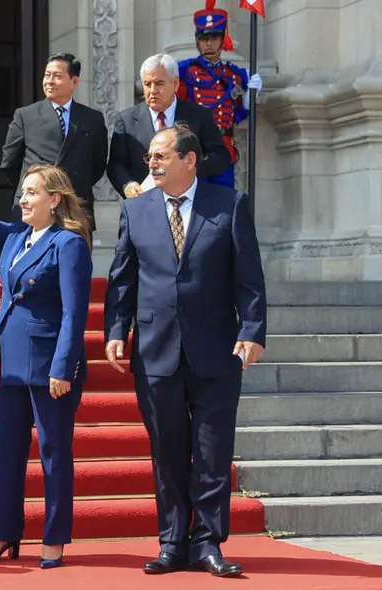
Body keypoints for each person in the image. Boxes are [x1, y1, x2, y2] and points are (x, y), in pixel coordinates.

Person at [103, 124, 267, 578]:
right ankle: (173, 542)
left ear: (189, 160)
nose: (150, 163)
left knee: (213, 454)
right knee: (168, 453)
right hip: (156, 350)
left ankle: (208, 543)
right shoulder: (136, 210)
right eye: (150, 157)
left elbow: (249, 278)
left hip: (216, 350)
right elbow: (122, 277)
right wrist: (117, 328)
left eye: (160, 156)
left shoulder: (228, 205)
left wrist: (252, 330)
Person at [0, 143, 93, 569]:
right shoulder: (16, 236)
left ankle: (53, 541)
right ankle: (2, 535)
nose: (23, 199)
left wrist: (63, 367)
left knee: (53, 454)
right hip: (12, 362)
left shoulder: (68, 244)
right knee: (7, 452)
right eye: (22, 193)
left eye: (32, 192)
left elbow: (74, 312)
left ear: (55, 199)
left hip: (50, 366)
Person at [1, 53, 107, 231]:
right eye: (47, 75)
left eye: (57, 76)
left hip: (75, 207)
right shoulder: (25, 115)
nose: (49, 81)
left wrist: (70, 186)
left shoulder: (92, 119)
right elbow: (9, 163)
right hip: (34, 209)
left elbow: (97, 165)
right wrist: (35, 188)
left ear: (74, 81)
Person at [106, 53, 230, 199]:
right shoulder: (126, 120)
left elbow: (220, 157)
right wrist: (127, 185)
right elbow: (116, 164)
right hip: (145, 205)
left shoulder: (199, 116)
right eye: (147, 84)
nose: (152, 91)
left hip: (190, 204)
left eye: (159, 83)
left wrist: (186, 166)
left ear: (175, 84)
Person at [177, 0, 263, 188]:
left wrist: (250, 95)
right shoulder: (185, 72)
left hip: (224, 146)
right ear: (197, 40)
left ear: (223, 38)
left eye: (214, 37)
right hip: (195, 146)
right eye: (203, 38)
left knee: (224, 203)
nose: (208, 43)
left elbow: (240, 113)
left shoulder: (234, 75)